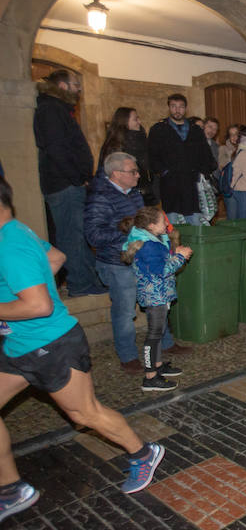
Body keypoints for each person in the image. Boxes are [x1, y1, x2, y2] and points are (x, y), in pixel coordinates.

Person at [0, 176, 166, 522]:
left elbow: (40, 305)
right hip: (18, 344)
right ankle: (11, 488)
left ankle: (143, 452)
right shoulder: (16, 230)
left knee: (85, 414)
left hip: (51, 344)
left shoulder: (8, 244)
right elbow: (57, 257)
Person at [85, 152, 189, 373]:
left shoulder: (134, 194)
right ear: (116, 174)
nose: (138, 174)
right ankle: (128, 356)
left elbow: (145, 224)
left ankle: (166, 344)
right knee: (124, 311)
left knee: (157, 303)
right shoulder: (100, 197)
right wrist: (130, 233)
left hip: (143, 258)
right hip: (117, 262)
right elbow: (93, 235)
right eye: (133, 171)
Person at [33, 69, 105, 297]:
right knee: (71, 237)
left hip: (70, 184)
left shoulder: (58, 109)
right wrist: (78, 178)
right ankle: (80, 286)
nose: (80, 89)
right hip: (64, 185)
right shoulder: (50, 110)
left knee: (78, 235)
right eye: (76, 84)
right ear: (63, 86)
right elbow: (57, 149)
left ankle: (90, 281)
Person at [120, 208, 192, 392]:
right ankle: (150, 376)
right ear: (151, 226)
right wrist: (180, 257)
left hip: (160, 293)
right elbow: (161, 270)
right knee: (154, 334)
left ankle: (158, 365)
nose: (167, 224)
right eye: (163, 222)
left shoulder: (155, 239)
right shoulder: (148, 245)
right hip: (155, 295)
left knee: (158, 332)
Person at [147, 93, 217, 226]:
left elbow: (205, 154)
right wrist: (164, 172)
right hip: (170, 184)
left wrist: (203, 171)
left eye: (181, 107)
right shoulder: (158, 129)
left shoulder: (195, 130)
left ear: (186, 108)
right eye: (173, 106)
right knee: (173, 223)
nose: (177, 110)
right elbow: (152, 156)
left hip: (192, 184)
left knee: (195, 221)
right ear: (169, 107)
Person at [98, 107, 156, 206]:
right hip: (124, 195)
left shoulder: (141, 139)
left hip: (144, 192)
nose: (139, 121)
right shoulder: (115, 145)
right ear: (124, 122)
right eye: (135, 119)